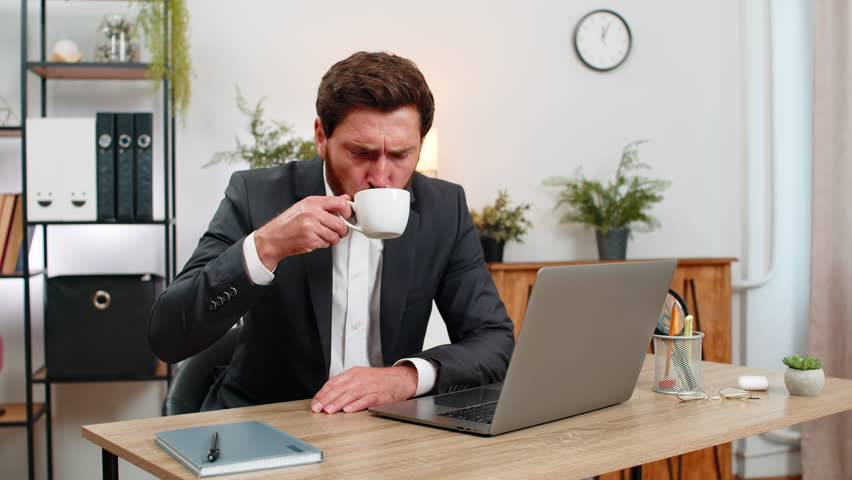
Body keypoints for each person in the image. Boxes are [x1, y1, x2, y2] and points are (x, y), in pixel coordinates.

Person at [149, 51, 514, 414]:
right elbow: (168, 337)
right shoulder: (256, 195)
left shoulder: (443, 208)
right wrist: (265, 247)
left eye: (401, 155)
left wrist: (405, 379)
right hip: (268, 423)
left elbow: (494, 340)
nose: (381, 177)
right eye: (360, 153)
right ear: (322, 136)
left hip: (385, 431)